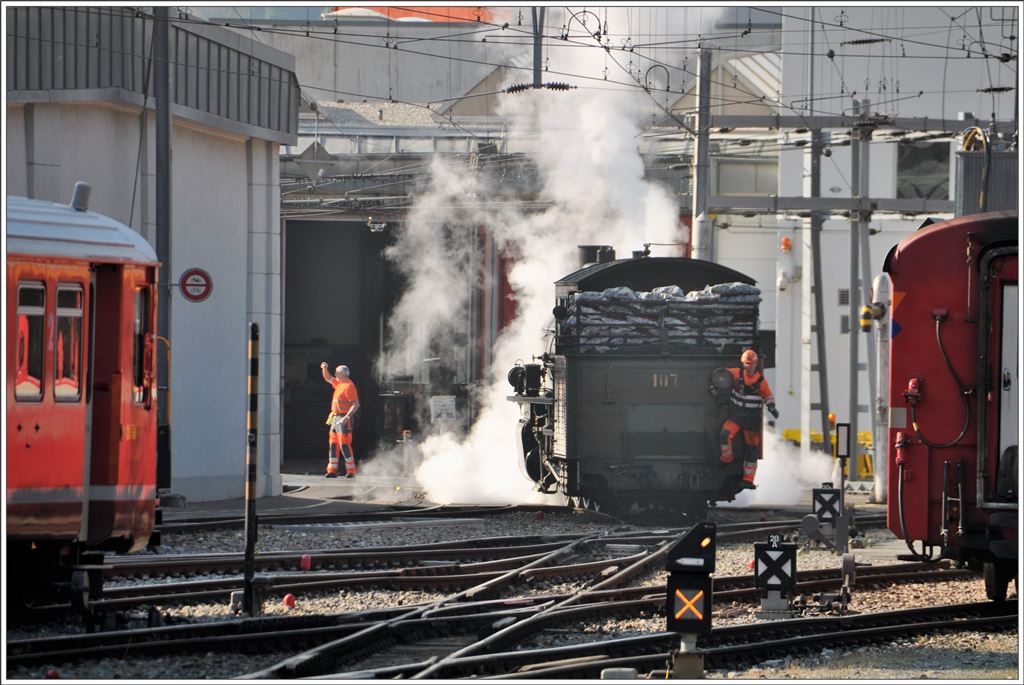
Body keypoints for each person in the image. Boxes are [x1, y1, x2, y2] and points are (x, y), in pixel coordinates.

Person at [719, 349, 778, 489]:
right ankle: (726, 458)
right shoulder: (736, 373)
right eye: (746, 363)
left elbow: (768, 396)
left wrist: (772, 407)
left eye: (751, 364)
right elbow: (722, 374)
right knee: (724, 435)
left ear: (756, 364)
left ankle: (748, 479)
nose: (748, 366)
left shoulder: (761, 381)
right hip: (737, 416)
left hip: (751, 420)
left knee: (751, 449)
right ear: (742, 363)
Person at [321, 362, 360, 478]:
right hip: (335, 417)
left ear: (343, 374)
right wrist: (324, 368)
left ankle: (351, 471)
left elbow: (356, 404)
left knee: (344, 444)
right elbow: (328, 378)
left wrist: (347, 417)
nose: (335, 374)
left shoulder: (349, 386)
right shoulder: (339, 383)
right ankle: (332, 470)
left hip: (343, 418)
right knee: (333, 444)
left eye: (337, 373)